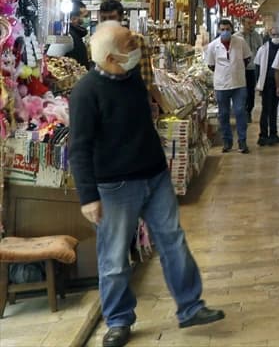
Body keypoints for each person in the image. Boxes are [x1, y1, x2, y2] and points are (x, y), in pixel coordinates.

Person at [68, 22, 224, 347]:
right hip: (114, 186)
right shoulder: (86, 92)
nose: (135, 47)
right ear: (111, 58)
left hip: (154, 176)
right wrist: (88, 197)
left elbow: (144, 49)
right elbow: (79, 148)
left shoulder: (134, 77)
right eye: (129, 44)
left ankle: (191, 306)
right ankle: (118, 320)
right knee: (114, 258)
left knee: (173, 241)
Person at [203, 18, 253, 154]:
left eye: (227, 29)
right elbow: (211, 65)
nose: (225, 32)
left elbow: (247, 58)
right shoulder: (213, 46)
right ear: (219, 30)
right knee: (223, 114)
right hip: (221, 85)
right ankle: (227, 141)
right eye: (222, 29)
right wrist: (224, 71)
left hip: (239, 83)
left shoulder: (240, 42)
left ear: (232, 30)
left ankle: (242, 141)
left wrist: (236, 69)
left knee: (240, 111)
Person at [97, 1, 154, 92]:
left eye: (112, 18)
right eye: (104, 19)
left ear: (121, 18)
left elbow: (145, 76)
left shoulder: (136, 40)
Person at [252, 26, 279, 146]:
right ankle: (263, 135)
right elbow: (257, 67)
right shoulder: (263, 49)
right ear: (269, 35)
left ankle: (273, 134)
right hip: (267, 83)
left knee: (274, 109)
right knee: (266, 109)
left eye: (278, 35)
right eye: (274, 35)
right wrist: (259, 84)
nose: (276, 37)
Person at [243, 19, 264, 119]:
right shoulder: (238, 36)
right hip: (241, 68)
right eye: (249, 23)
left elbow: (261, 49)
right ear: (243, 23)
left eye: (252, 23)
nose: (251, 25)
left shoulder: (257, 36)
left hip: (252, 67)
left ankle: (249, 111)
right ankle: (242, 110)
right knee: (241, 90)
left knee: (251, 91)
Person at [67, 0, 90, 66]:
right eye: (85, 16)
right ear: (74, 18)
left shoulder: (77, 35)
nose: (87, 19)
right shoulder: (68, 36)